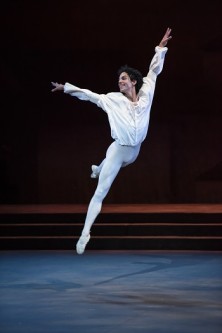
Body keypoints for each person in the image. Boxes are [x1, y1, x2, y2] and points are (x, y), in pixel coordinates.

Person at [51, 27, 172, 255]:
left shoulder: (146, 93)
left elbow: (154, 71)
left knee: (107, 164)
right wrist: (66, 88)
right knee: (101, 191)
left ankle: (98, 168)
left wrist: (161, 48)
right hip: (118, 150)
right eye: (119, 80)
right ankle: (85, 233)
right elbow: (90, 95)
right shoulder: (112, 100)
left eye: (124, 79)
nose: (120, 82)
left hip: (135, 152)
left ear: (134, 82)